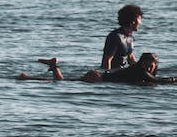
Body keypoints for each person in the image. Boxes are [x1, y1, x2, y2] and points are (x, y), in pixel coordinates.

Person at [17, 53, 175, 85]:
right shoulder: (140, 71)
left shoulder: (141, 71)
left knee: (65, 81)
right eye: (147, 63)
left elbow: (155, 79)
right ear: (142, 63)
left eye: (152, 64)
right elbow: (156, 81)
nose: (149, 66)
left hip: (99, 77)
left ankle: (53, 65)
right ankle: (27, 78)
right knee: (64, 82)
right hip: (98, 78)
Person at [101, 4, 142, 70]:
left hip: (123, 71)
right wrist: (107, 77)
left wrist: (141, 69)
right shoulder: (115, 36)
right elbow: (107, 60)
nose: (140, 23)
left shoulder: (129, 37)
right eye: (139, 19)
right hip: (114, 73)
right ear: (133, 21)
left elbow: (131, 59)